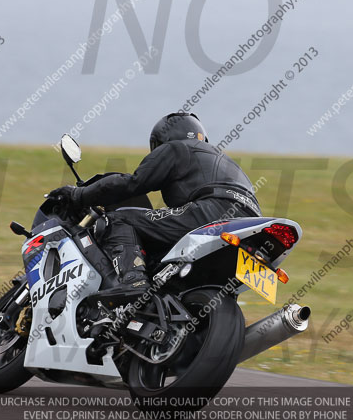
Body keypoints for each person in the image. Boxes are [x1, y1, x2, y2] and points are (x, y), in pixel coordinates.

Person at [48, 113, 261, 296]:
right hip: (250, 226)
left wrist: (78, 194)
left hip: (213, 212)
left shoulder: (177, 148)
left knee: (118, 219)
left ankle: (133, 280)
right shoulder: (227, 162)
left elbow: (133, 184)